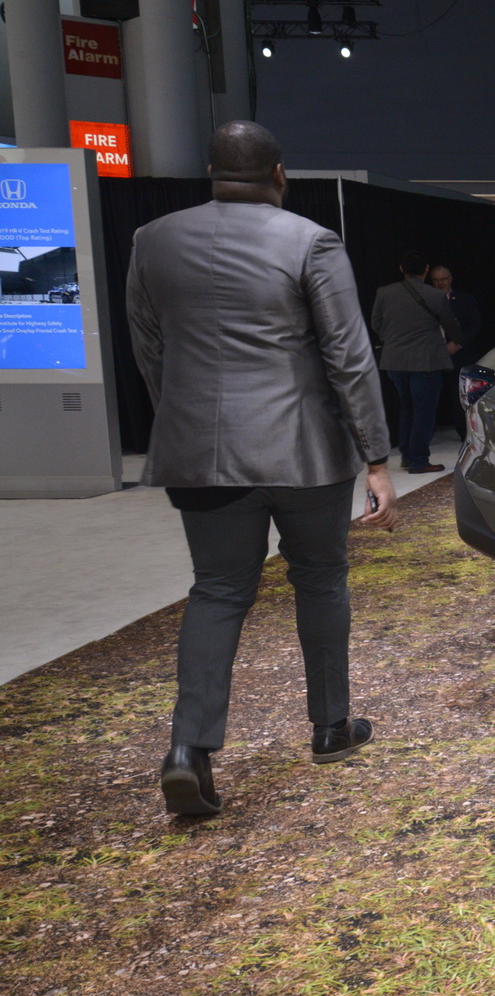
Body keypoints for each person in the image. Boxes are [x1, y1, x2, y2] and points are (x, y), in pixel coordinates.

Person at [126, 120, 400, 819]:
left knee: (217, 590)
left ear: (212, 171)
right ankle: (331, 726)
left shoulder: (152, 240)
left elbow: (149, 347)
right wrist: (375, 455)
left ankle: (189, 749)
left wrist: (183, 420)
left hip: (203, 452)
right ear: (278, 172)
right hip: (304, 451)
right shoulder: (310, 241)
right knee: (320, 579)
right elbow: (348, 355)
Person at [370, 252, 463, 474]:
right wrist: (455, 341)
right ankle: (419, 460)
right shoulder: (435, 296)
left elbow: (376, 324)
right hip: (426, 361)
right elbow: (453, 327)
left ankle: (406, 455)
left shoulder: (384, 293)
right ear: (426, 269)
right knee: (424, 412)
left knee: (407, 408)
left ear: (402, 269)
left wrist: (393, 339)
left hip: (394, 361)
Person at [429, 264, 484, 439]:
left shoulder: (465, 300)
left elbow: (474, 326)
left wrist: (457, 344)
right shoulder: (426, 300)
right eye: (436, 280)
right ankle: (427, 435)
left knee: (460, 398)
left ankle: (466, 434)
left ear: (450, 279)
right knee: (430, 398)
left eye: (443, 279)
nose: (440, 283)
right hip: (433, 356)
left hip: (460, 355)